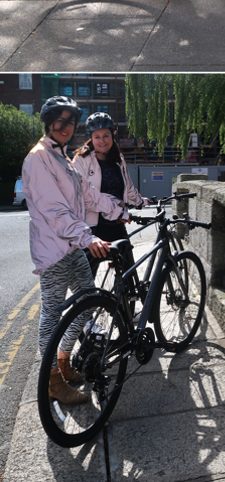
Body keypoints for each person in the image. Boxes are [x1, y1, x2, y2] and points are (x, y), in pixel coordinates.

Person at [22, 97, 131, 405]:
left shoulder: (63, 159)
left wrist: (119, 210)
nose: (66, 127)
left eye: (71, 122)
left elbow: (88, 195)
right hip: (52, 251)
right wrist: (88, 237)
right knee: (53, 315)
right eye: (60, 121)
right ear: (48, 123)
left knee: (87, 304)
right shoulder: (38, 158)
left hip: (70, 248)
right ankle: (52, 381)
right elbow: (54, 209)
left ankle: (64, 362)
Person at [71, 112, 148, 286]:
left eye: (106, 135)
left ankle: (124, 309)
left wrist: (141, 202)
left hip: (117, 225)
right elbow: (86, 197)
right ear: (91, 138)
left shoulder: (118, 159)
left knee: (128, 278)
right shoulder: (81, 160)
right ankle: (88, 311)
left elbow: (127, 188)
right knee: (85, 285)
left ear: (112, 135)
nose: (102, 140)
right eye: (97, 136)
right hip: (92, 229)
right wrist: (116, 206)